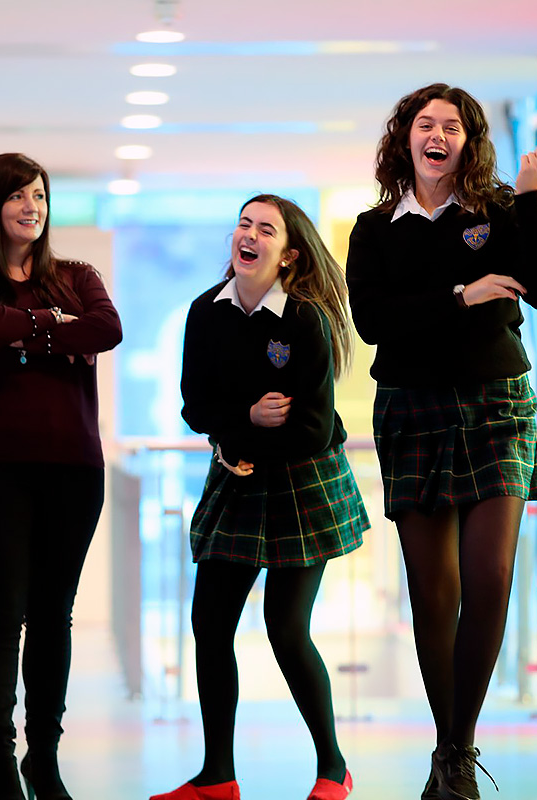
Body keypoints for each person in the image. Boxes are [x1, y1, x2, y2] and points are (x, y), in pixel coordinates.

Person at [344, 83, 537, 800]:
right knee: (433, 591)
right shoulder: (375, 229)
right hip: (411, 410)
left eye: (451, 126)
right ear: (405, 139)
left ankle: (457, 752)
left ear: (469, 142)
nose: (436, 135)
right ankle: (449, 751)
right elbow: (375, 321)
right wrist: (461, 297)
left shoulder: (498, 211)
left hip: (497, 405)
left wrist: (531, 198)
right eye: (424, 124)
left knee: (490, 578)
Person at [152, 195, 370, 800]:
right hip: (238, 475)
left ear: (288, 255)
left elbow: (313, 430)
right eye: (243, 224)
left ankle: (334, 768)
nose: (248, 235)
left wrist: (239, 435)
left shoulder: (304, 320)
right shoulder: (206, 312)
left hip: (304, 483)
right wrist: (246, 420)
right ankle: (216, 777)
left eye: (265, 229)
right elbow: (195, 407)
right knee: (209, 624)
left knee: (286, 628)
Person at [0, 153, 123, 800]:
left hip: (72, 468)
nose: (32, 207)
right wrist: (55, 329)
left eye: (40, 196)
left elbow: (107, 328)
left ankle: (42, 757)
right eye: (18, 195)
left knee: (53, 615)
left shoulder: (78, 276)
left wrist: (22, 338)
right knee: (1, 610)